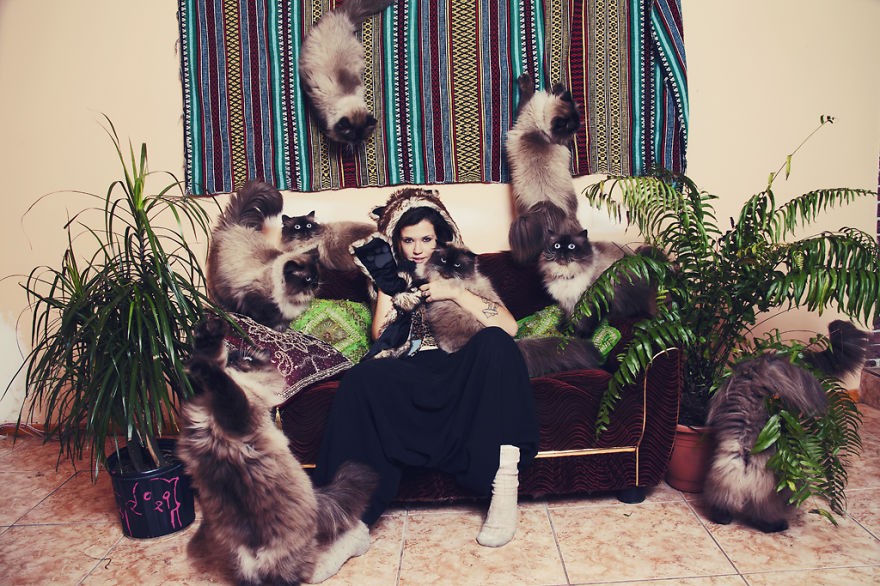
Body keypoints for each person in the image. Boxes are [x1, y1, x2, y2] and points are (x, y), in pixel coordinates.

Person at [313, 188, 539, 561]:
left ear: (440, 239)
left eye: (426, 240)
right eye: (408, 240)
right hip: (410, 369)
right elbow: (380, 335)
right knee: (360, 379)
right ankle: (351, 525)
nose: (418, 249)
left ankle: (503, 489)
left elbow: (509, 327)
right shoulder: (390, 277)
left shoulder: (462, 269)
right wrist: (393, 291)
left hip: (461, 370)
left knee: (497, 343)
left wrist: (455, 293)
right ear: (397, 241)